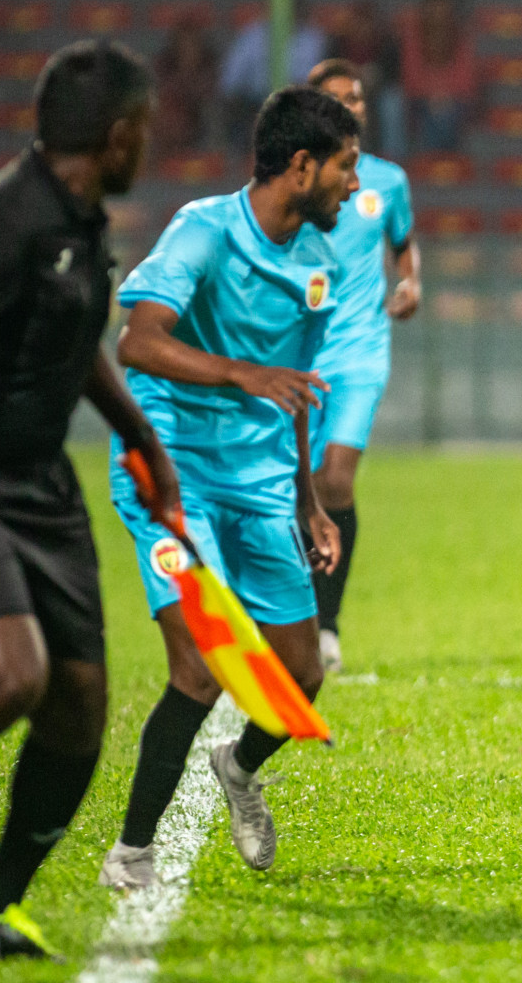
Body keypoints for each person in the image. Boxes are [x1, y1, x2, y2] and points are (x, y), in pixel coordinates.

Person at [97, 86, 359, 891]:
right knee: (202, 667)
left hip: (260, 479)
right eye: (346, 167)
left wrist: (309, 499)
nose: (355, 185)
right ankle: (132, 855)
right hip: (172, 474)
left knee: (300, 677)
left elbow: (298, 387)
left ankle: (238, 768)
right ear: (302, 164)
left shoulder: (321, 263)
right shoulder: (204, 231)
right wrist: (241, 372)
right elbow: (136, 342)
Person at [0, 40, 178, 960]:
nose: (149, 148)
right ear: (120, 136)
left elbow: (75, 338)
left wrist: (141, 434)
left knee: (80, 704)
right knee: (12, 678)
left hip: (41, 487)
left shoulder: (80, 226)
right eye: (147, 133)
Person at [304, 59, 420, 673]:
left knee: (337, 479)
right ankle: (290, 612)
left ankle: (327, 624)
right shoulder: (296, 178)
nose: (352, 105)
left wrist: (410, 283)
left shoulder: (387, 182)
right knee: (293, 484)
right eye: (338, 97)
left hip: (359, 349)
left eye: (358, 96)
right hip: (298, 352)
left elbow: (403, 246)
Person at [218, 0, 328, 152]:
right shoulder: (252, 36)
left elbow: (318, 82)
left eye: (296, 10)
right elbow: (229, 82)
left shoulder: (314, 40)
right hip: (254, 104)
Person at [398, 0, 480, 153]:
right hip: (421, 100)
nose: (438, 17)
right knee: (431, 114)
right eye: (434, 11)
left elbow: (466, 82)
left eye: (443, 12)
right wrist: (433, 95)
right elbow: (411, 79)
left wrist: (445, 96)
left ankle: (438, 167)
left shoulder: (462, 38)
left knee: (445, 115)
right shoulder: (414, 37)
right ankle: (436, 167)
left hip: (455, 101)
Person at [328, 0, 405, 158]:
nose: (362, 27)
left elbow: (394, 76)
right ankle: (337, 155)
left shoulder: (387, 43)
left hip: (378, 92)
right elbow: (328, 74)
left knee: (392, 102)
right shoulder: (336, 43)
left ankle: (392, 157)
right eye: (358, 22)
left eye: (367, 22)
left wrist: (374, 76)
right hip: (345, 92)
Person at [153, 15, 219, 153]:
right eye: (184, 43)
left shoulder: (210, 65)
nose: (189, 48)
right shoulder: (164, 65)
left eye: (192, 43)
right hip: (170, 123)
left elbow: (211, 93)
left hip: (199, 122)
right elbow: (159, 89)